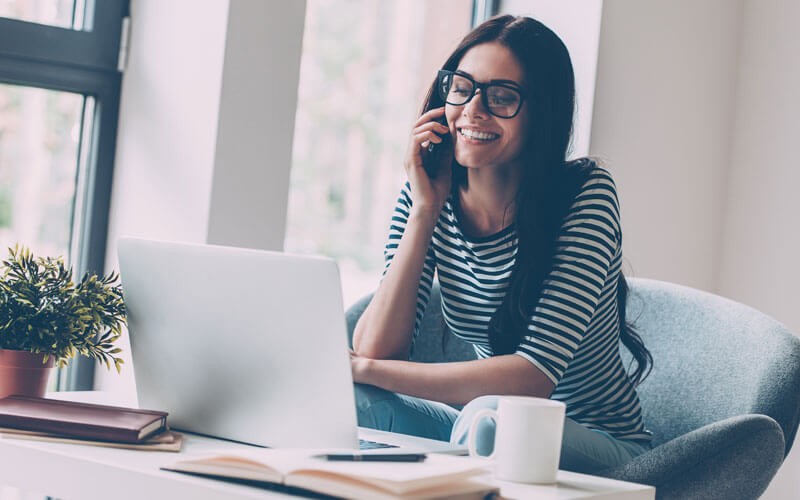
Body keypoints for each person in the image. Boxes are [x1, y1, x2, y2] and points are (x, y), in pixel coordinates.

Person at [350, 14, 653, 474]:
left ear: (541, 113)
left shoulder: (583, 193)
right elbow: (375, 349)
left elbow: (531, 379)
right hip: (482, 427)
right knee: (356, 400)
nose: (472, 109)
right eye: (461, 88)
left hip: (592, 441)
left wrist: (365, 369)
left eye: (502, 97)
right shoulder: (428, 189)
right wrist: (425, 210)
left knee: (495, 416)